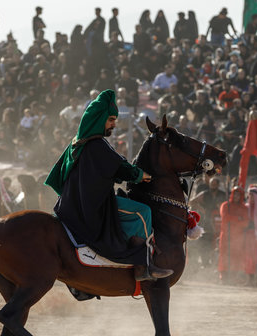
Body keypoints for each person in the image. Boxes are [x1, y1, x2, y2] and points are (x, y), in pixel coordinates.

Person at [45, 89, 172, 281]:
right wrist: (141, 175)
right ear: (98, 119)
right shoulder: (97, 145)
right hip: (92, 207)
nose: (114, 124)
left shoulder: (76, 143)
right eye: (111, 119)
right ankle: (142, 266)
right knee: (143, 212)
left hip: (70, 204)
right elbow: (120, 167)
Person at [217, 186, 248, 284]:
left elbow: (245, 223)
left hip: (238, 236)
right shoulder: (225, 205)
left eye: (239, 195)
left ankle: (234, 276)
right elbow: (225, 217)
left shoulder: (244, 208)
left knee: (236, 256)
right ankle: (223, 275)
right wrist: (238, 219)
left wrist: (233, 219)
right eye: (235, 194)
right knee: (224, 255)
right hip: (226, 235)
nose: (236, 197)